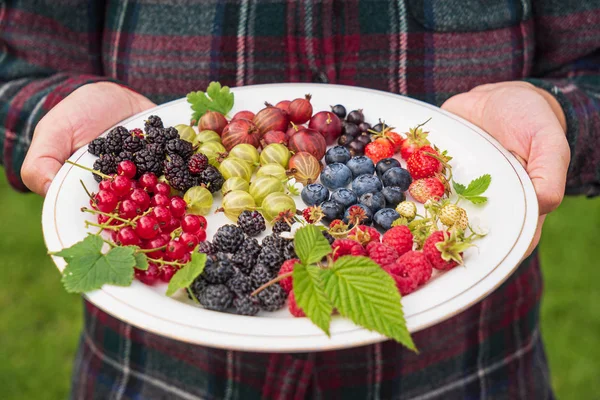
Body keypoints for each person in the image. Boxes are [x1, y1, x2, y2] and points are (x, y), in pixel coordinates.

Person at [2, 1, 598, 398]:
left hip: (466, 368)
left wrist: (557, 114)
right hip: (158, 373)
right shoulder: (222, 178)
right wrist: (56, 114)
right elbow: (20, 62)